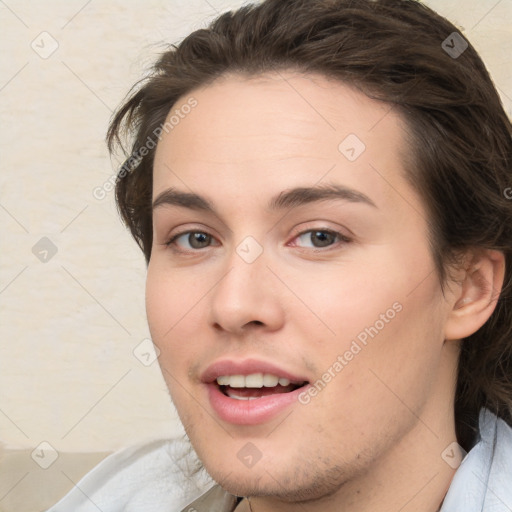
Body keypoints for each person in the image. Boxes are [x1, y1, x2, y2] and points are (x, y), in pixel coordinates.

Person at [47, 0, 512, 510]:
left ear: (469, 287)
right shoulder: (110, 497)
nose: (234, 305)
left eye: (319, 237)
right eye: (195, 238)